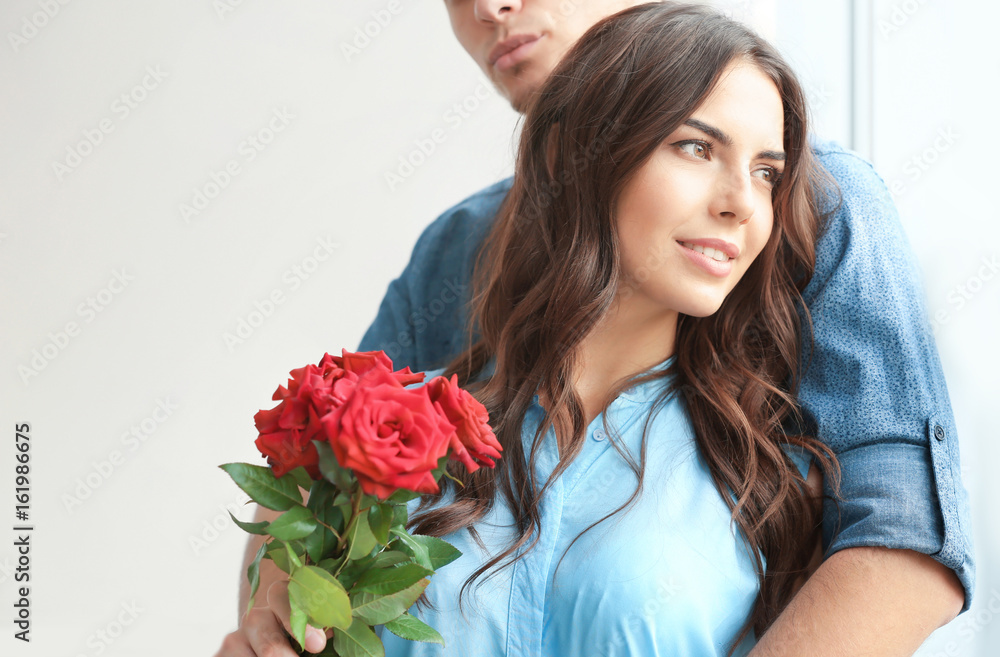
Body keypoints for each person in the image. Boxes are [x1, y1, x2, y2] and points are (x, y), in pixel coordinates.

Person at [215, 2, 973, 656]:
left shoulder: (817, 212)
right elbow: (320, 471)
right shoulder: (457, 245)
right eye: (695, 147)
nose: (490, 10)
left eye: (765, 171)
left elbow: (904, 539)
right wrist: (281, 598)